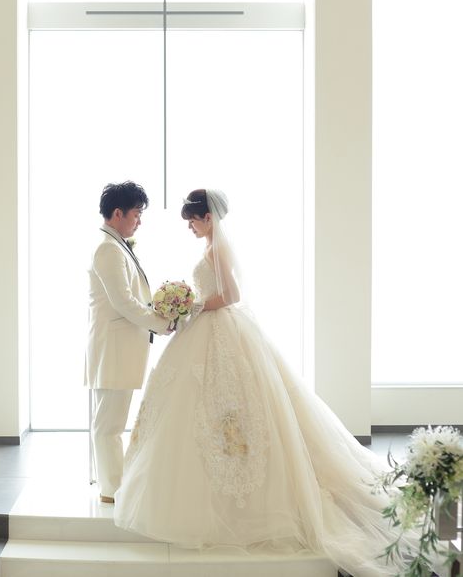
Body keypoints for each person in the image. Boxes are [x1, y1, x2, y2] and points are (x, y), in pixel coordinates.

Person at [113, 189, 416, 576]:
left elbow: (232, 294)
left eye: (193, 220)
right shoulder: (211, 248)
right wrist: (192, 305)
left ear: (208, 218)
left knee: (228, 403)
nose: (190, 227)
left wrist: (194, 305)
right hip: (209, 330)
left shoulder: (217, 250)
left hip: (220, 328)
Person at [86, 181, 173, 504]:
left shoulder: (115, 245)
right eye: (136, 214)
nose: (139, 221)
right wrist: (161, 323)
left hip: (118, 349)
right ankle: (111, 490)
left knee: (110, 421)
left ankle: (111, 484)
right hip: (114, 350)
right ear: (117, 213)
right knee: (109, 424)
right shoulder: (108, 250)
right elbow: (123, 302)